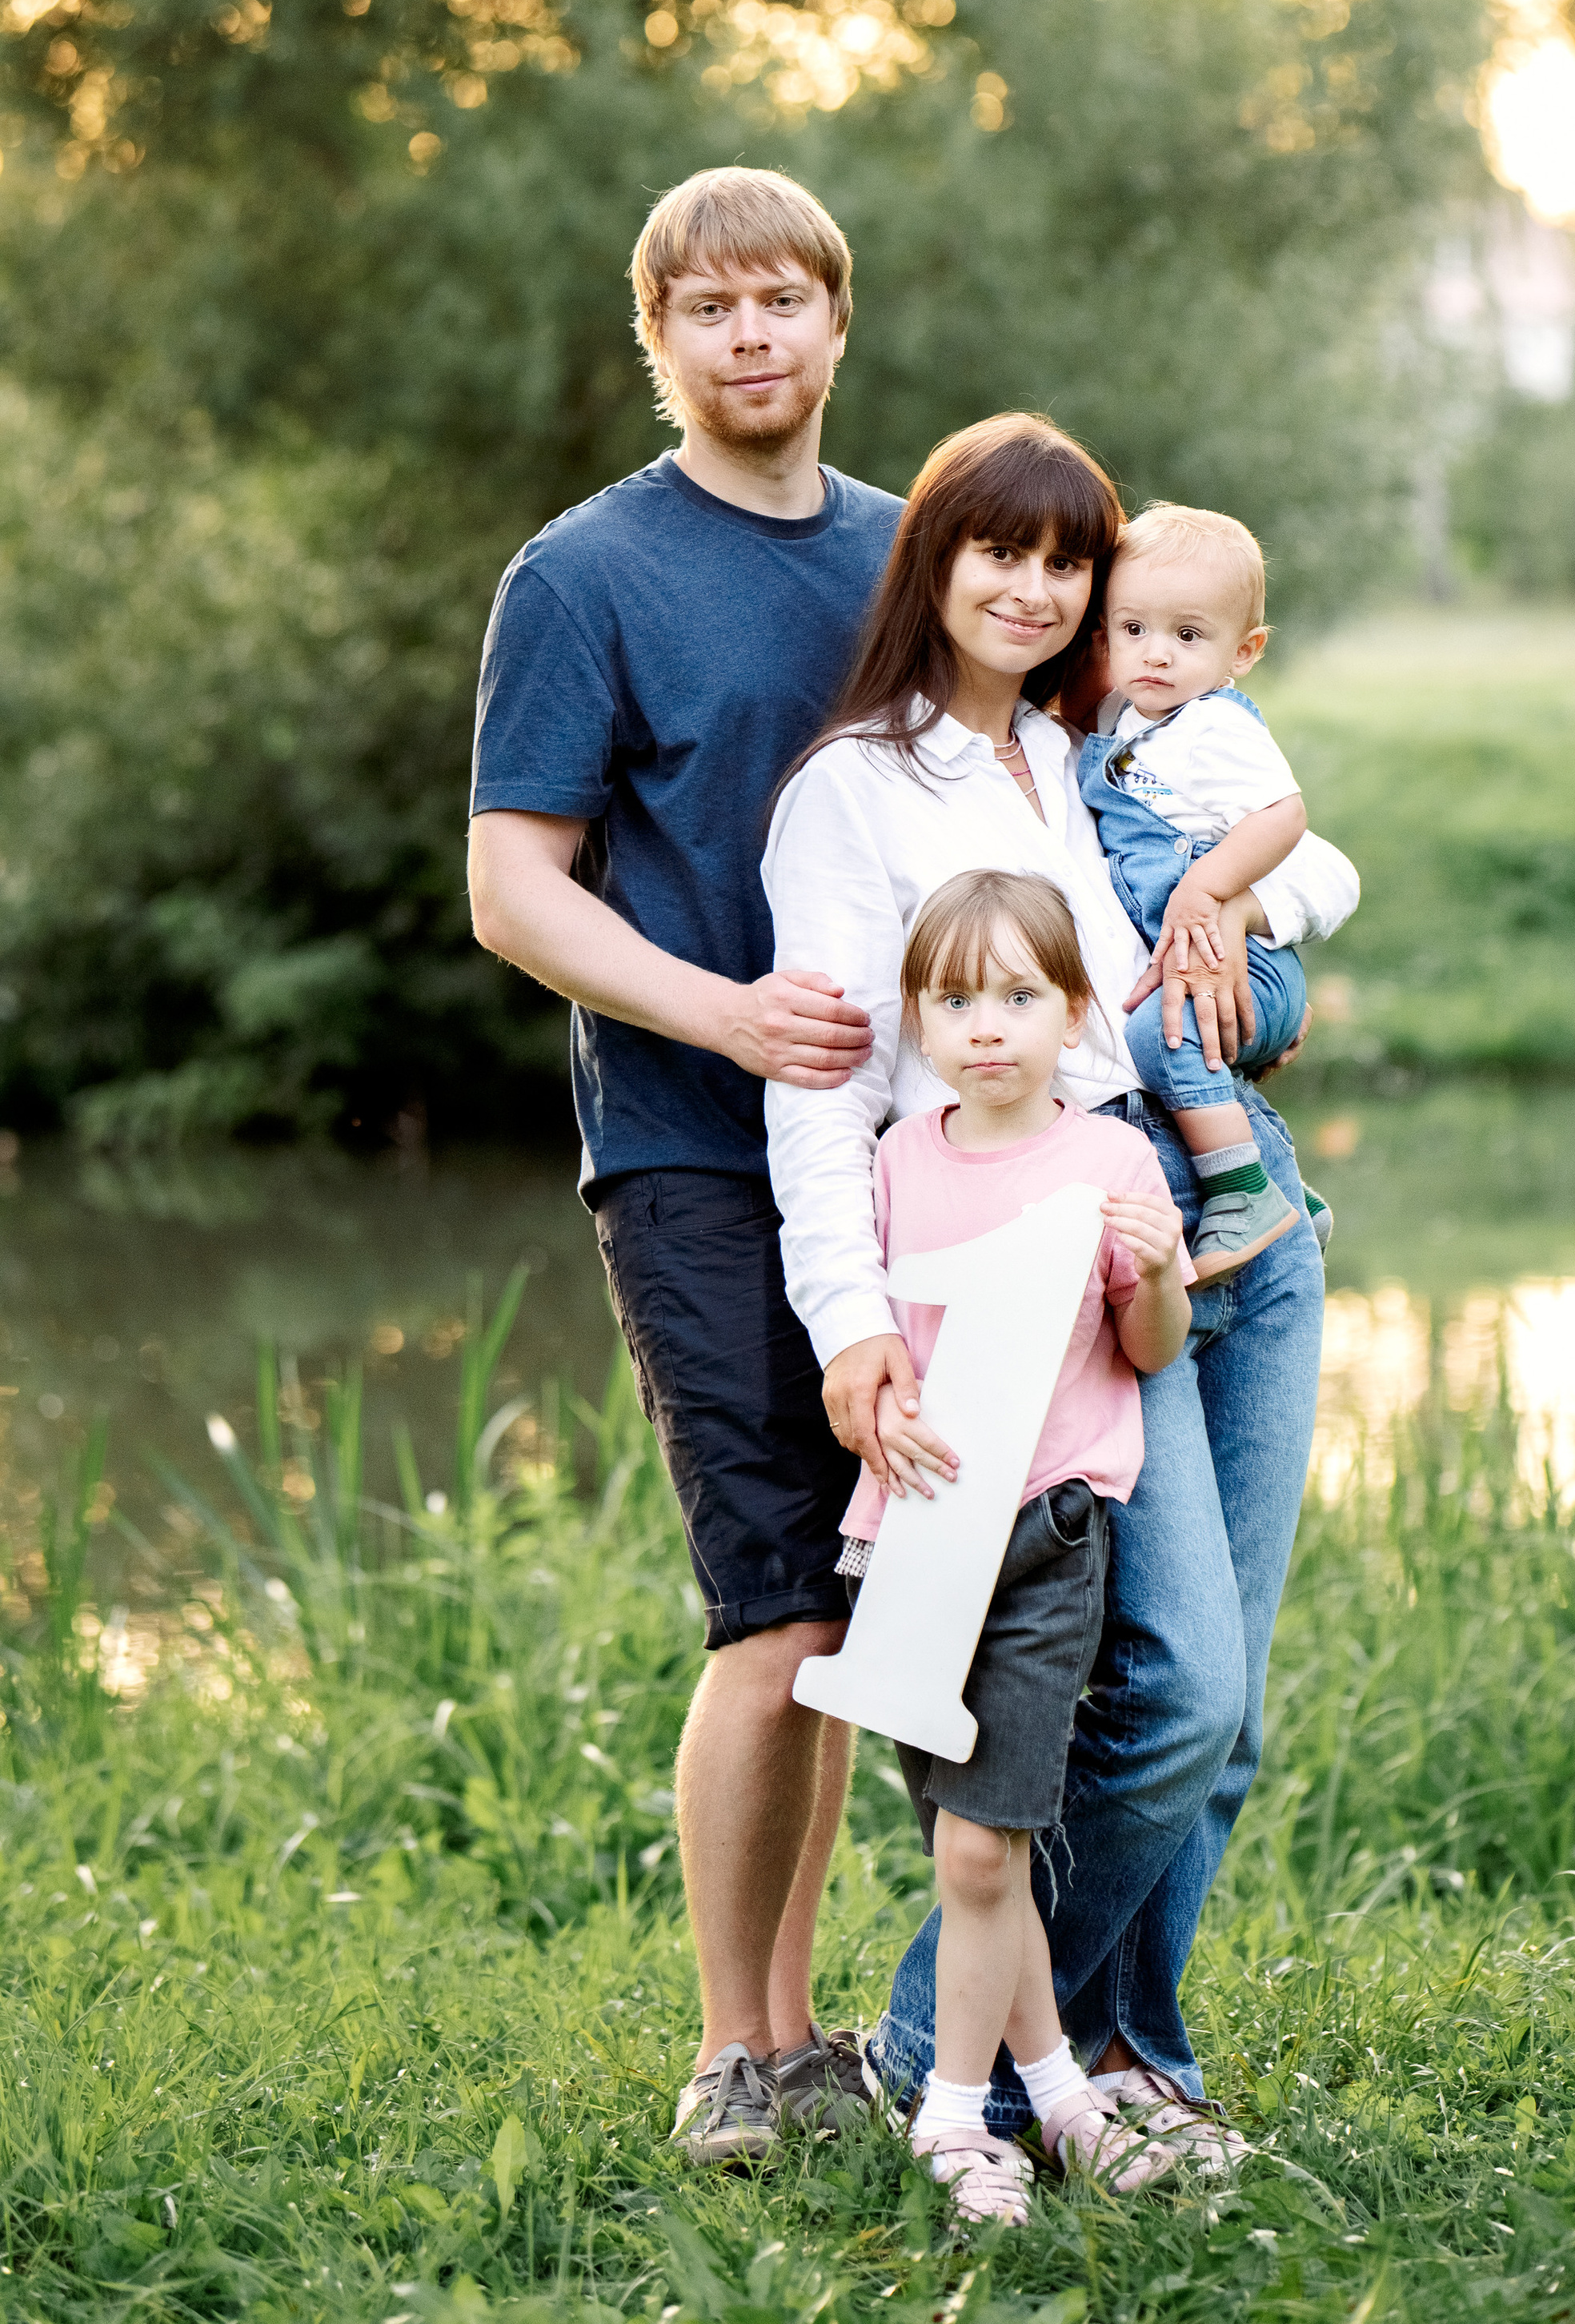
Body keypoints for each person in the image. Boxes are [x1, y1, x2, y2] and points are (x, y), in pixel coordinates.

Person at [762, 411, 1358, 2155]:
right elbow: (825, 1096)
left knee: (1221, 1711)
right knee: (1170, 1693)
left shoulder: (1092, 746)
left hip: (1224, 1210)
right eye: (996, 554)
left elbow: (1306, 860)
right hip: (1056, 1249)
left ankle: (1127, 2063)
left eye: (1064, 563)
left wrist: (1245, 928)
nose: (1031, 591)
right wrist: (854, 1325)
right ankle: (924, 2045)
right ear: (932, 565)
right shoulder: (853, 790)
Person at [467, 165, 901, 2167]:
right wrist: (719, 1012)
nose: (748, 336)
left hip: (908, 1156)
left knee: (855, 1597)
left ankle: (812, 2021)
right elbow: (510, 887)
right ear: (657, 338)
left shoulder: (912, 556)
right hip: (691, 1146)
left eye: (779, 301)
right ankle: (740, 2048)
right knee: (772, 1602)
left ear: (834, 321)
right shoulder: (583, 574)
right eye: (705, 307)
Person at [844, 869, 1192, 2226]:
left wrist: (1158, 1265)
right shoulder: (896, 1155)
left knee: (986, 1853)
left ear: (1072, 1009)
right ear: (919, 1016)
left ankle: (948, 2113)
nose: (987, 1025)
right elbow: (873, 1339)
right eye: (954, 997)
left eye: (1019, 994)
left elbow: (1147, 1348)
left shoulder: (1107, 1157)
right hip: (914, 1542)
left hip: (1049, 1531)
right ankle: (1057, 2096)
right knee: (968, 1849)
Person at [1079, 501, 1333, 1284]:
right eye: (1133, 630)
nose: (1155, 654)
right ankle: (1292, 1193)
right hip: (1204, 967)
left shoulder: (1214, 729)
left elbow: (1284, 817)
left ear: (1242, 651)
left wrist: (1209, 891)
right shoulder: (1124, 723)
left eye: (1188, 636)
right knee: (1165, 1032)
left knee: (1160, 1037)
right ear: (1105, 633)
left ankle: (1243, 1192)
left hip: (1247, 961)